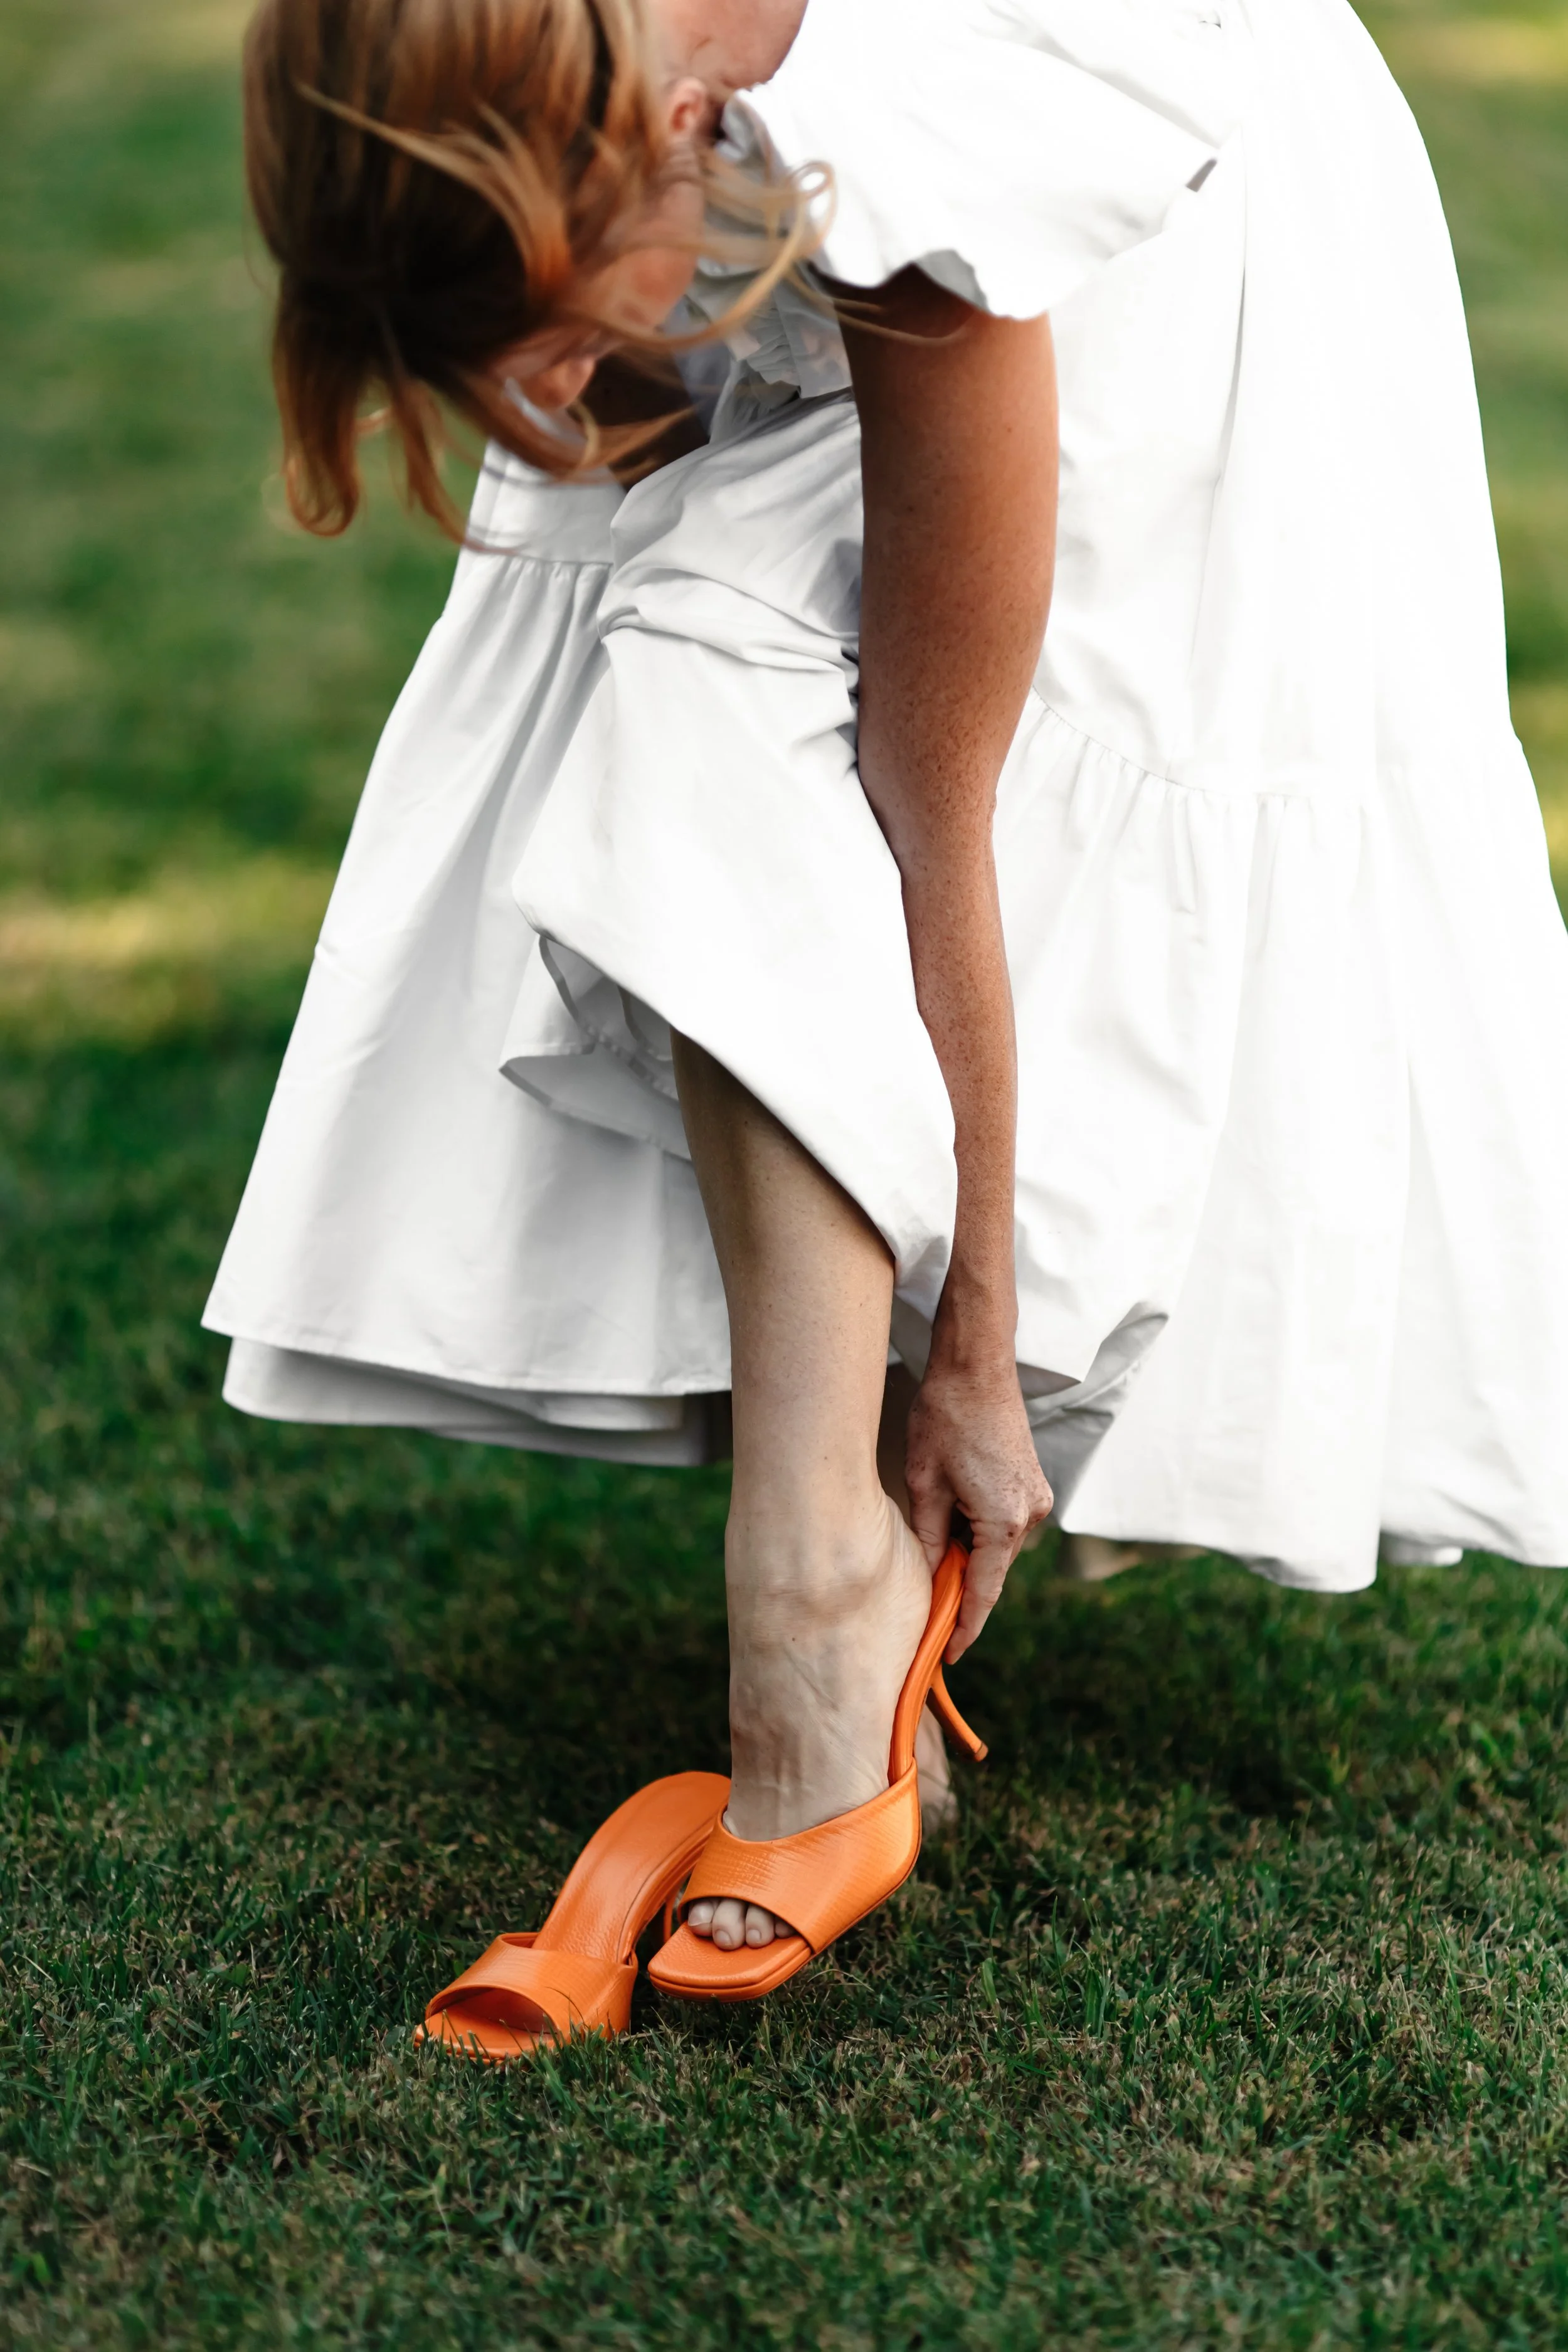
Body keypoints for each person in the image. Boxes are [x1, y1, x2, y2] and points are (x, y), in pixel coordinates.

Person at [209, 0, 1568, 1997]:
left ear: (671, 127)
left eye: (568, 328)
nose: (562, 398)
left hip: (1185, 224)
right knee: (683, 672)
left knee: (747, 688)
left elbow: (937, 817)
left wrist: (981, 1353)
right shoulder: (524, 65)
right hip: (794, 180)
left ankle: (817, 1604)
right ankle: (820, 1573)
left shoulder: (933, 156)